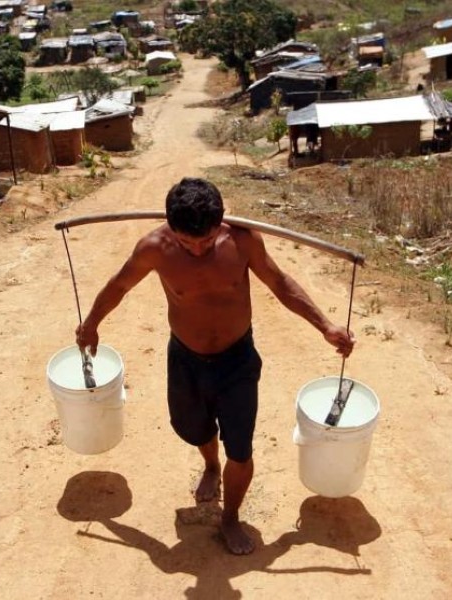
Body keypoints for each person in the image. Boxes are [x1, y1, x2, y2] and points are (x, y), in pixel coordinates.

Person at [75, 177, 355, 555]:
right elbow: (119, 286)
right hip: (186, 358)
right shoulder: (154, 248)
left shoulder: (242, 241)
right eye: (186, 242)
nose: (195, 249)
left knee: (240, 449)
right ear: (171, 228)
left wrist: (325, 325)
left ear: (219, 224)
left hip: (237, 359)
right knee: (196, 427)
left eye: (205, 241)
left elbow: (279, 282)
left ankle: (231, 518)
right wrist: (91, 323)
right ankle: (210, 466)